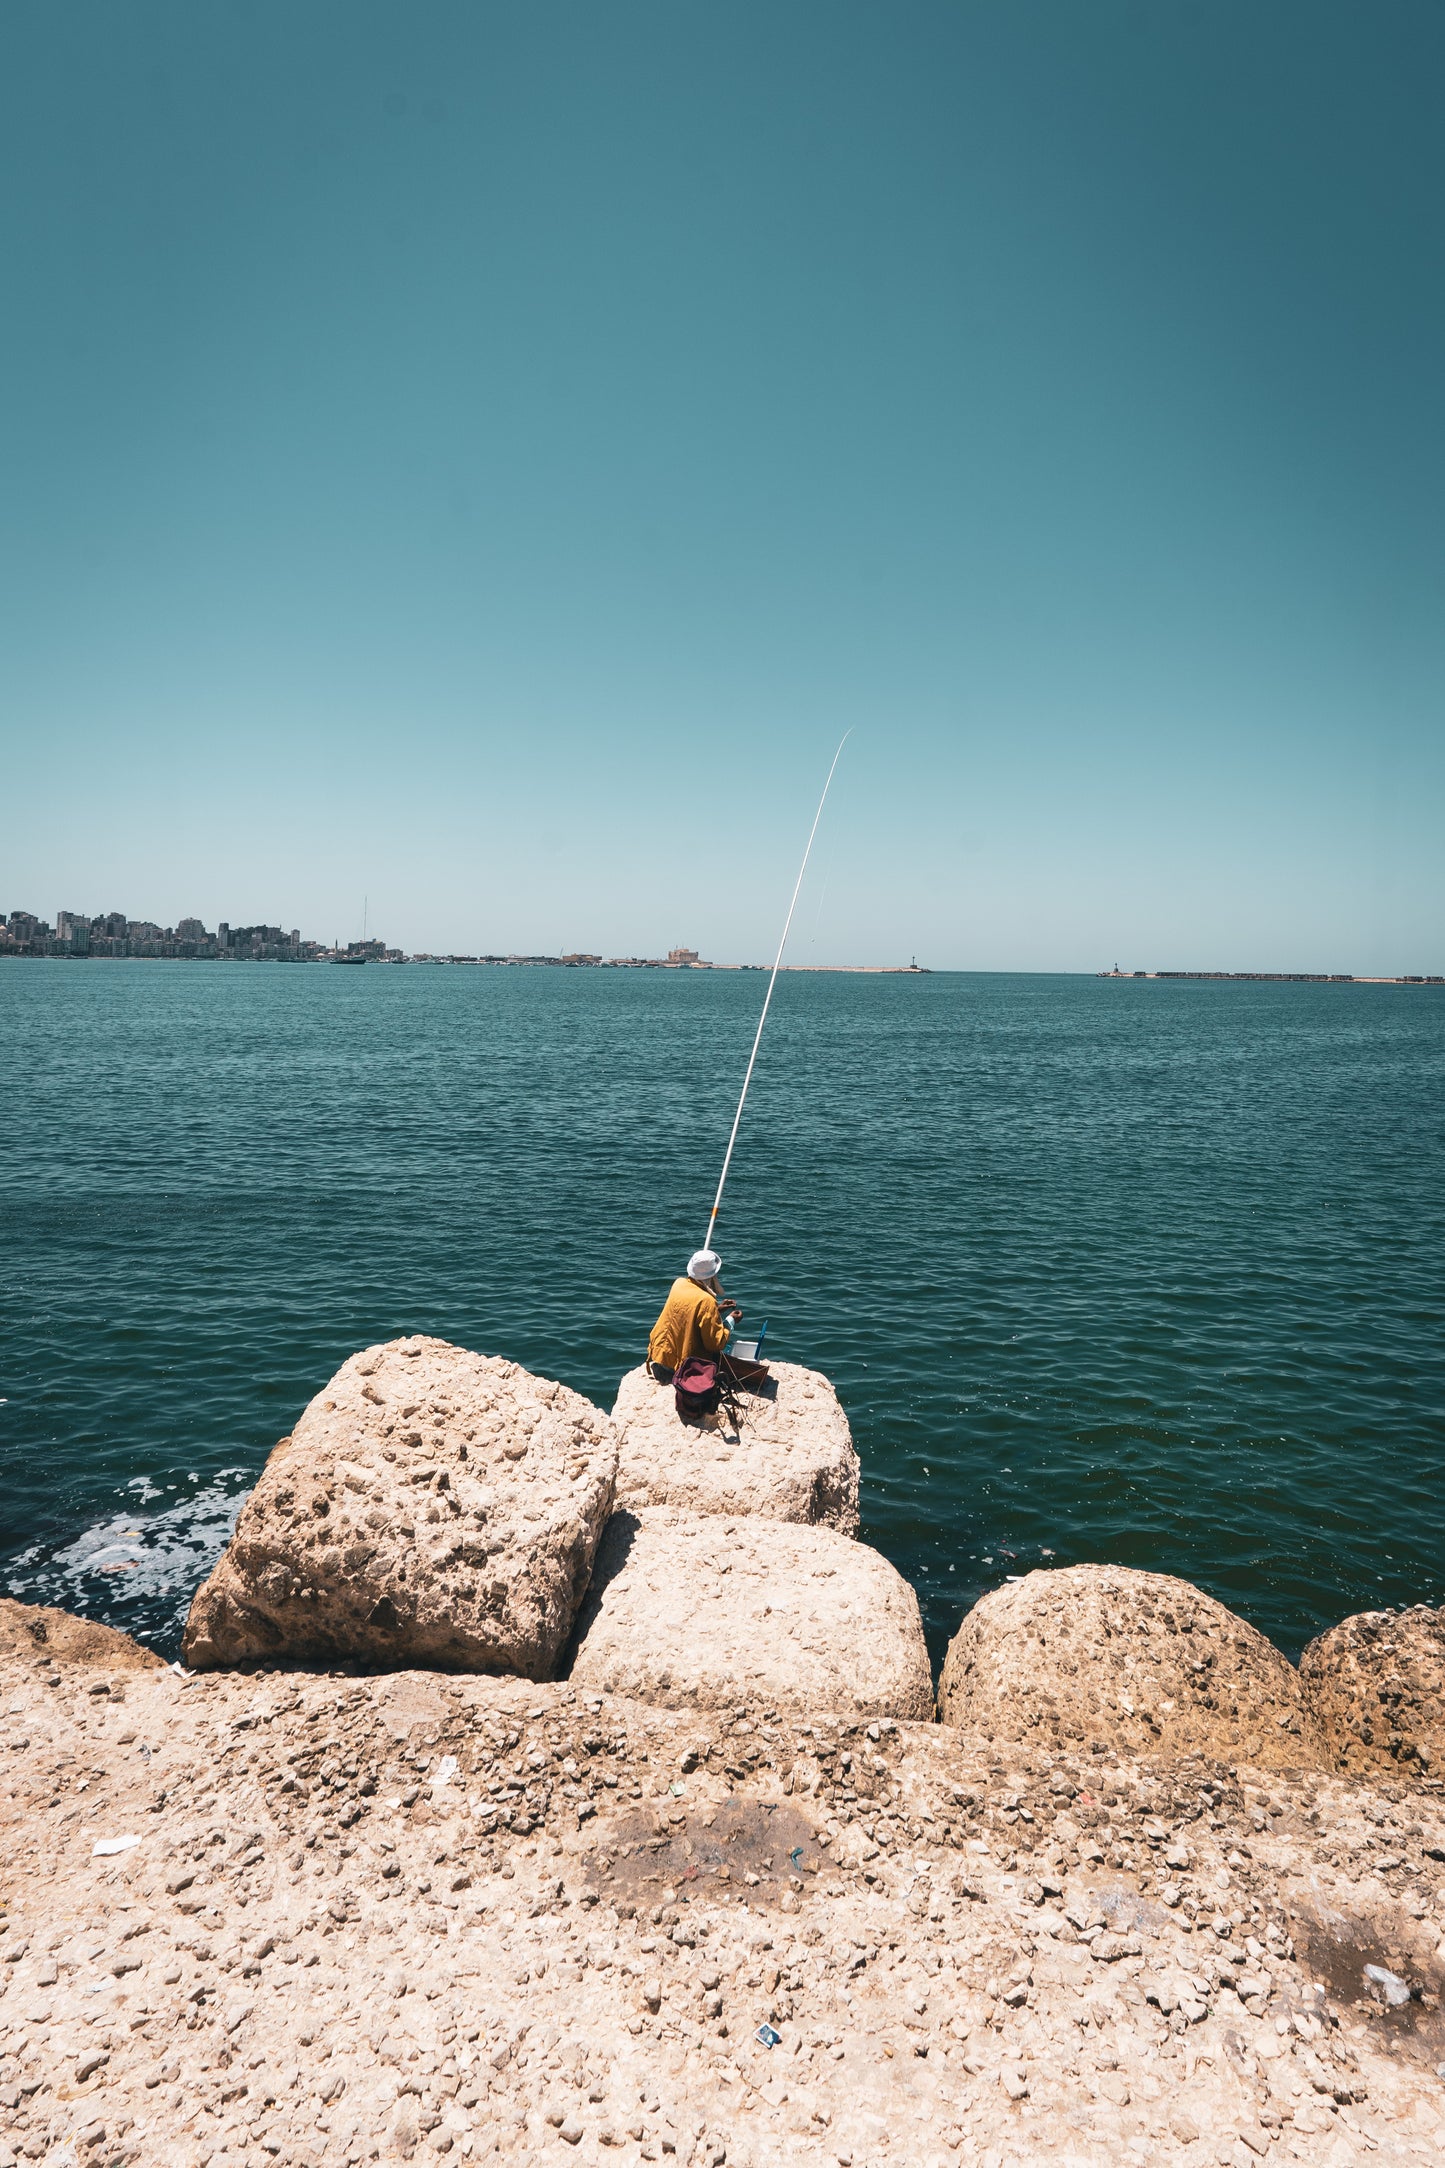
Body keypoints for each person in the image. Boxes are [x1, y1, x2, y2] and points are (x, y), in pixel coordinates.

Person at [646, 1250, 741, 1384]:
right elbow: (715, 1343)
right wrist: (731, 1321)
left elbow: (688, 1313)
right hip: (682, 1367)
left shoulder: (679, 1283)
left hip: (661, 1357)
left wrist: (716, 1310)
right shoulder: (706, 1301)